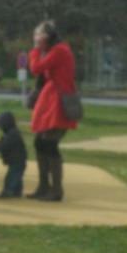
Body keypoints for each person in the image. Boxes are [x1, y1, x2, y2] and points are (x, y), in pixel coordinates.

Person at [28, 20, 78, 201]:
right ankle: (44, 186)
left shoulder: (59, 50)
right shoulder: (55, 50)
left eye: (38, 35)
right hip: (52, 99)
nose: (36, 38)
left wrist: (35, 50)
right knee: (40, 143)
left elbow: (35, 68)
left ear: (47, 36)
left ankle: (56, 190)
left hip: (58, 101)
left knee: (49, 143)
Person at [0, 110, 27, 198]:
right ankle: (17, 191)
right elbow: (4, 141)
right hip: (17, 161)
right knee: (16, 177)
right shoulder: (11, 133)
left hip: (17, 161)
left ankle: (8, 191)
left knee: (11, 177)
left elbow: (5, 145)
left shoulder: (12, 134)